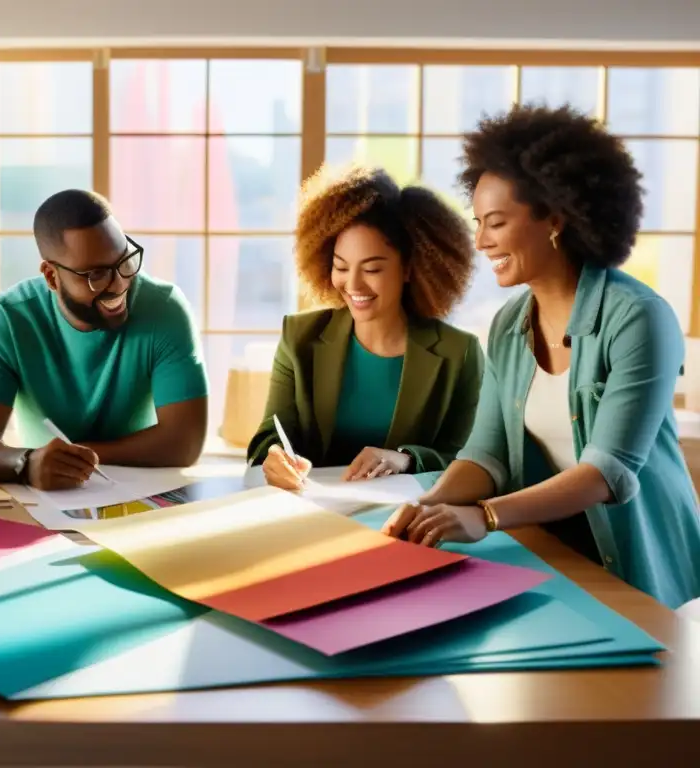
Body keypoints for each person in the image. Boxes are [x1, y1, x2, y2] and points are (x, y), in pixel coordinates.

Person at [382, 104, 700, 609]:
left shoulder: (640, 318)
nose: (482, 241)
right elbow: (485, 455)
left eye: (497, 222)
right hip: (551, 554)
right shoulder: (509, 325)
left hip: (641, 567)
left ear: (555, 218)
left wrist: (482, 516)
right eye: (478, 222)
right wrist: (429, 506)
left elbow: (606, 471)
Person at [0, 189, 208, 490]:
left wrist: (76, 458)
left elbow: (185, 443)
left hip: (143, 488)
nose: (120, 283)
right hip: (43, 495)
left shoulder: (165, 309)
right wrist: (25, 464)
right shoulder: (8, 319)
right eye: (96, 274)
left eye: (125, 260)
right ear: (52, 277)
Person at [248, 165, 483, 490]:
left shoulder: (459, 353)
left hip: (413, 518)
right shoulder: (299, 337)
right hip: (313, 513)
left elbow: (471, 458)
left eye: (372, 268)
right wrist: (274, 456)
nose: (353, 284)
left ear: (409, 269)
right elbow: (268, 437)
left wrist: (406, 458)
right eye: (341, 267)